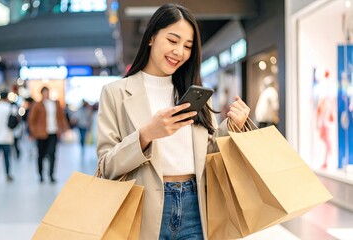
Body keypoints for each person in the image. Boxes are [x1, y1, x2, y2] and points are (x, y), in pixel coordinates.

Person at [96, 3, 250, 240]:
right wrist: (146, 134)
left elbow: (208, 154)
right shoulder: (115, 92)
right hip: (143, 207)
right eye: (172, 40)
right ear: (151, 38)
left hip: (196, 205)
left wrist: (231, 127)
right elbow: (106, 167)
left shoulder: (194, 93)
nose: (179, 52)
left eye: (187, 46)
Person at [27, 86, 68, 183]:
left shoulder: (55, 104)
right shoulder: (37, 105)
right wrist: (34, 131)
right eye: (44, 93)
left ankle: (51, 174)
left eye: (47, 92)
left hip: (53, 132)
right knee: (41, 154)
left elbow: (61, 117)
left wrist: (64, 129)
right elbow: (31, 119)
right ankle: (41, 174)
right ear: (41, 94)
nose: (46, 94)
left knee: (52, 153)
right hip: (41, 133)